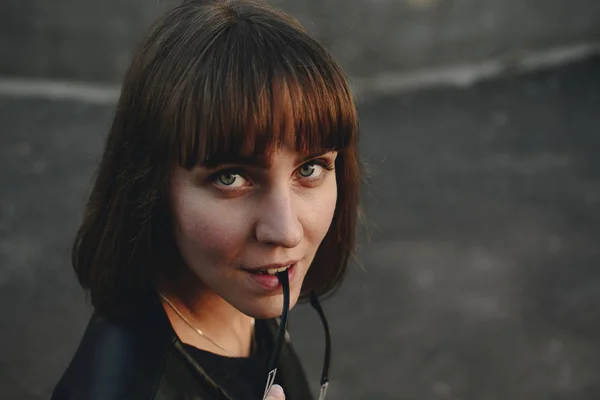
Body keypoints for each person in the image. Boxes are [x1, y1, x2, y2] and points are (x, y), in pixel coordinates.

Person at [51, 0, 361, 399]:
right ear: (152, 186)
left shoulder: (234, 293)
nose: (284, 231)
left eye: (310, 169)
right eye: (230, 178)